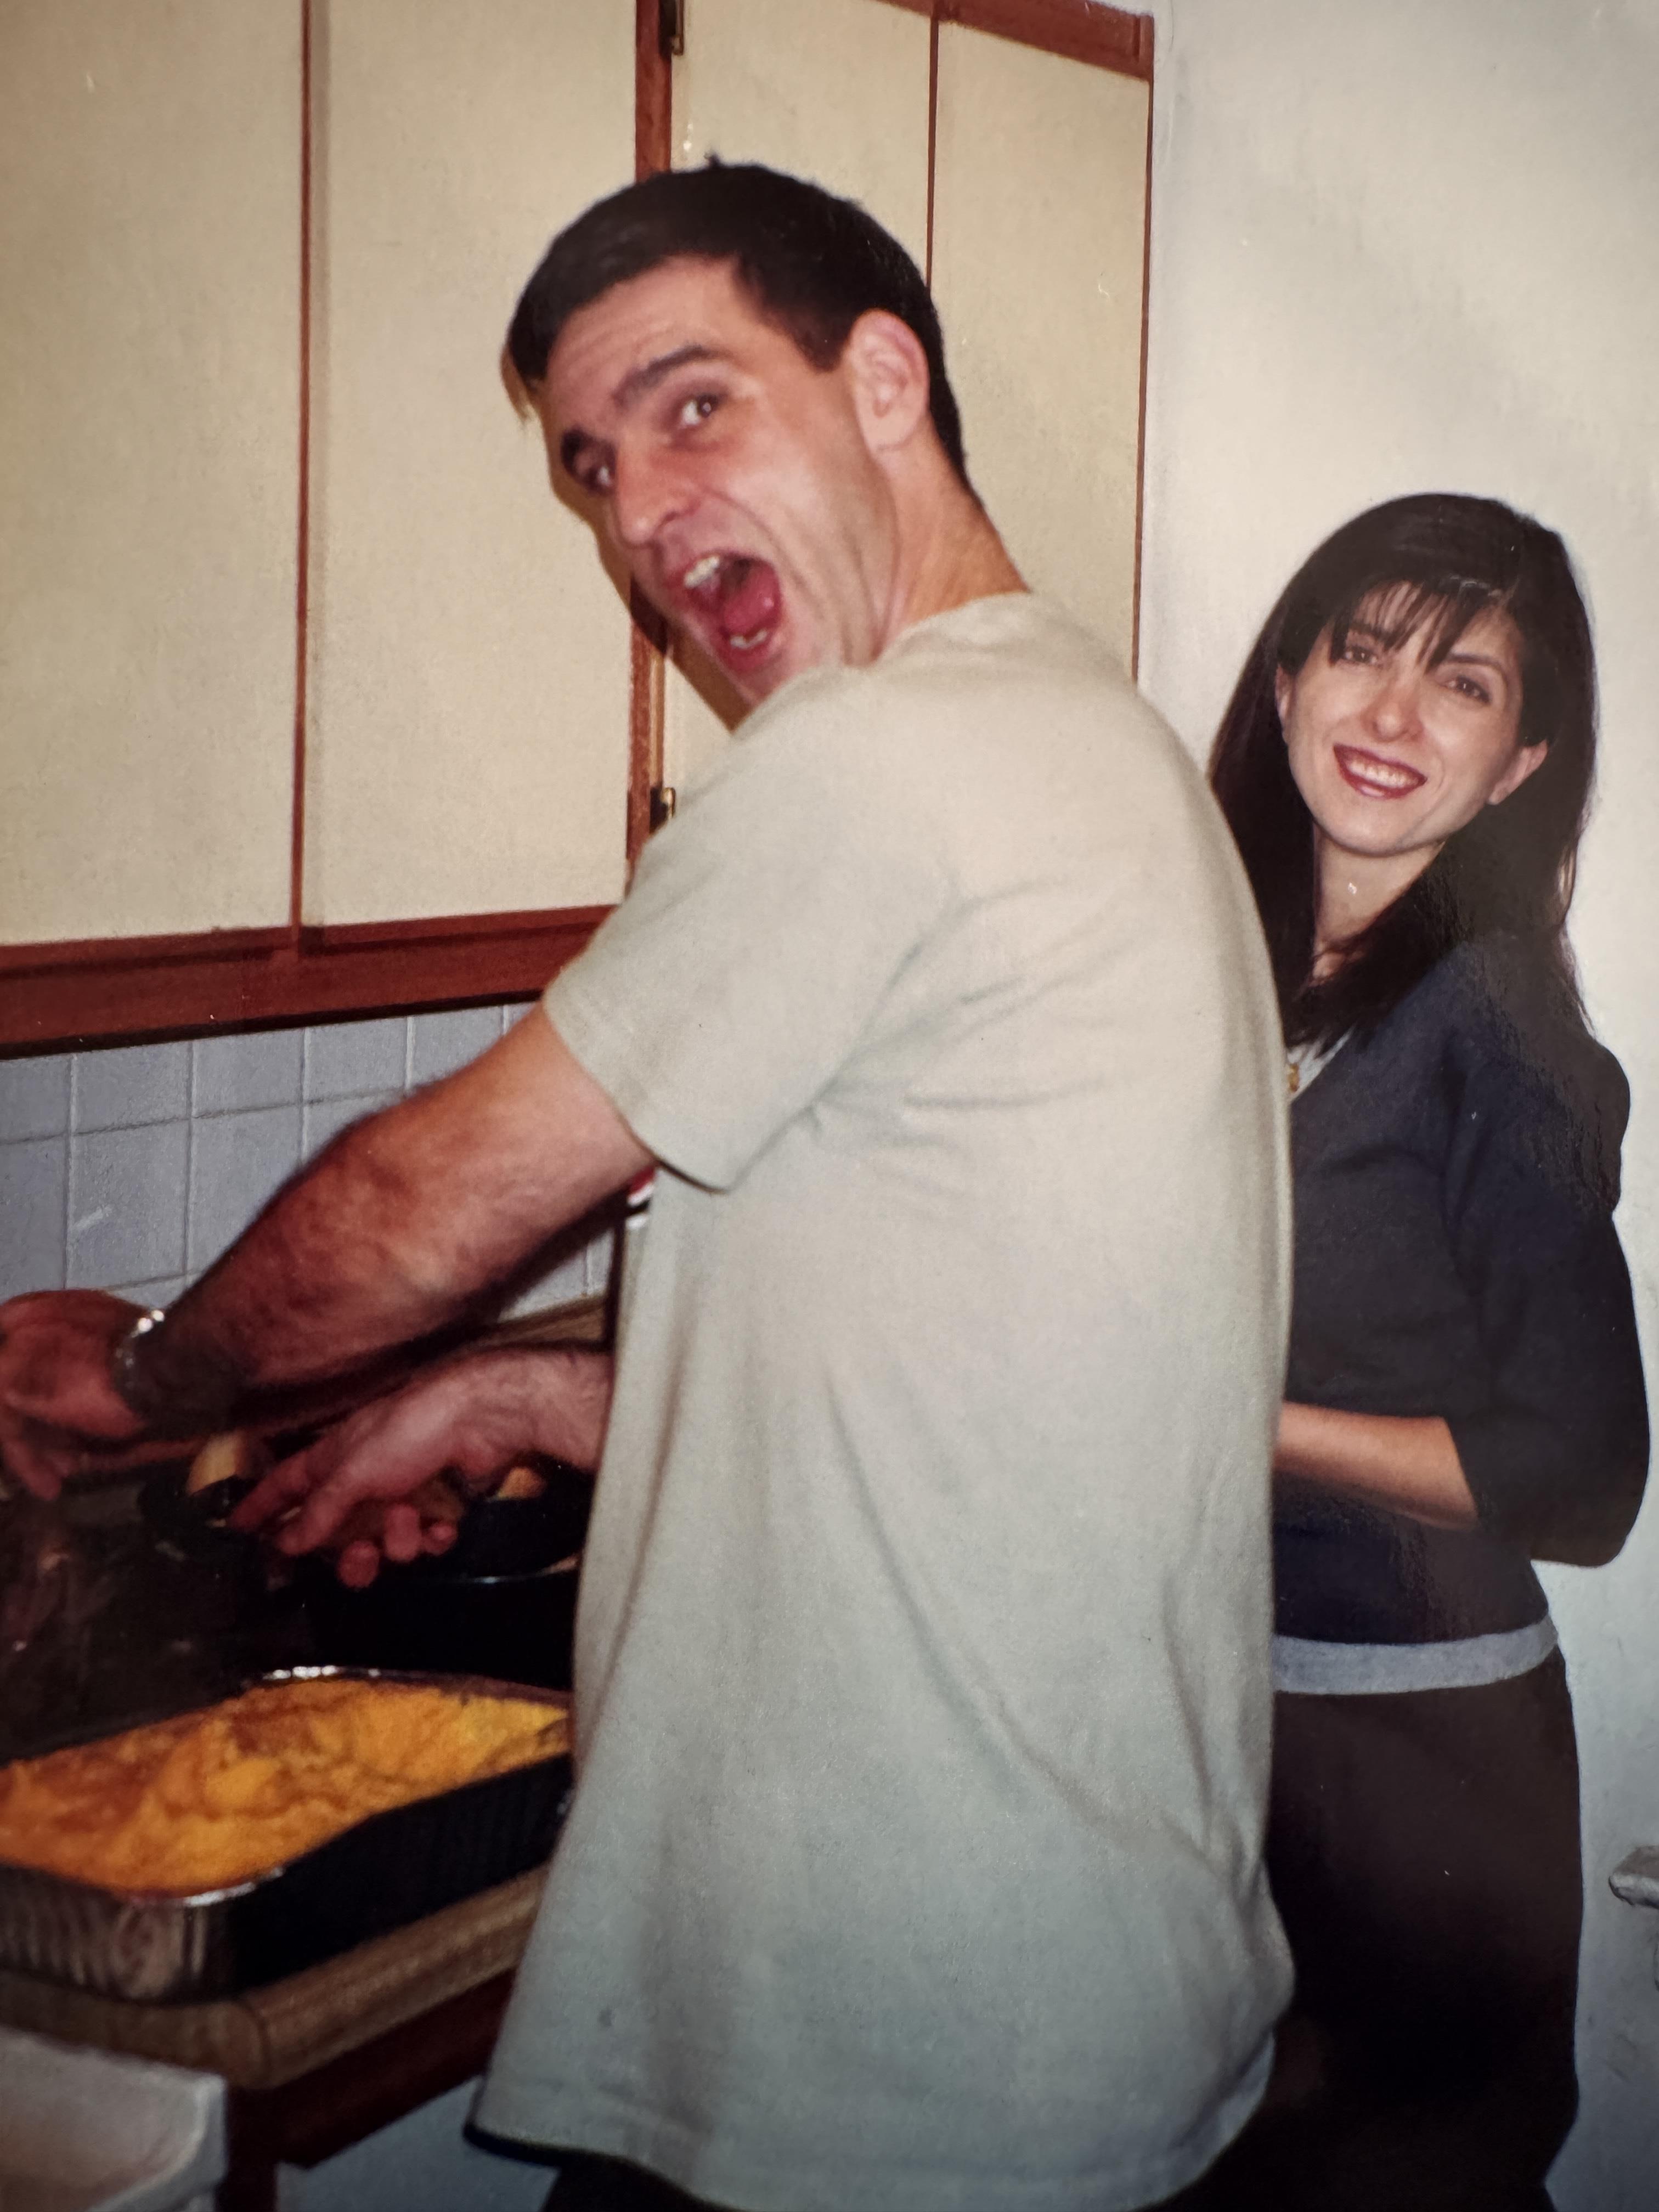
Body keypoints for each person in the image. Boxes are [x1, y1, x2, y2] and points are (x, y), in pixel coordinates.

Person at [0, 165, 1293, 2211]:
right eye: (596, 469)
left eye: (696, 410)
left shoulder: (881, 764)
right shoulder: (1100, 749)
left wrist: (150, 1380)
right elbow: (998, 1402)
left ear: (887, 381)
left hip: (888, 2074)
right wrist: (518, 1400)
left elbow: (431, 1200)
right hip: (1084, 2000)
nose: (643, 520)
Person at [1205, 493, 1649, 2211]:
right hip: (1224, 1722)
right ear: (1288, 675)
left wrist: (1242, 1422)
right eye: (1365, 652)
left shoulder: (1496, 1012)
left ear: (1522, 761)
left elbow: (1581, 1473)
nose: (1391, 717)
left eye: (1462, 685)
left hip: (1415, 1766)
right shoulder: (1218, 965)